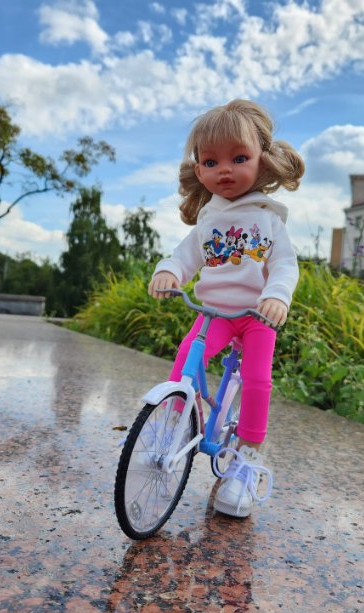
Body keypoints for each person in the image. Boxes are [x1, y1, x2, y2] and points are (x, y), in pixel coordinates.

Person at [148, 99, 304, 517]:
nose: (225, 170)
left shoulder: (268, 219)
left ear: (262, 161)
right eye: (211, 161)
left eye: (239, 158)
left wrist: (276, 295)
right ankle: (175, 424)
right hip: (214, 312)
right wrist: (169, 273)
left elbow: (285, 265)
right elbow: (184, 256)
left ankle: (245, 461)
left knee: (256, 379)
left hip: (256, 317)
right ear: (199, 170)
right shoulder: (207, 221)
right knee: (185, 359)